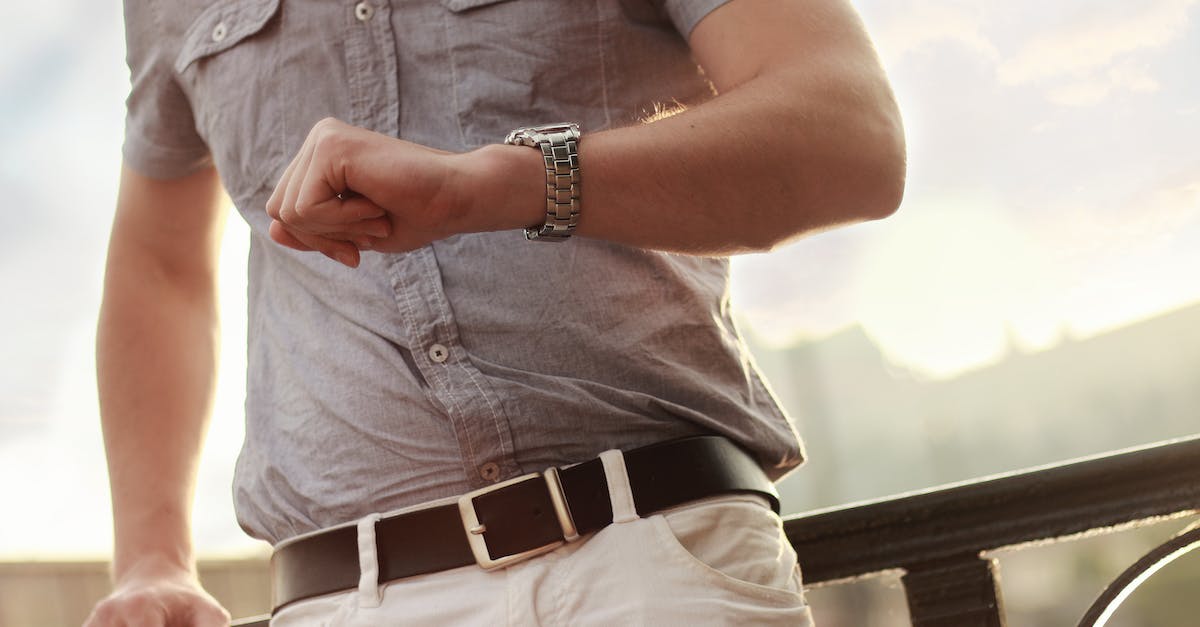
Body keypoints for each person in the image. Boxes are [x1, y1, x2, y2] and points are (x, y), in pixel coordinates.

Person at [86, 0, 904, 624]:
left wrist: (496, 185)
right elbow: (159, 263)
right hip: (340, 599)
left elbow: (849, 130)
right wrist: (151, 556)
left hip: (648, 569)